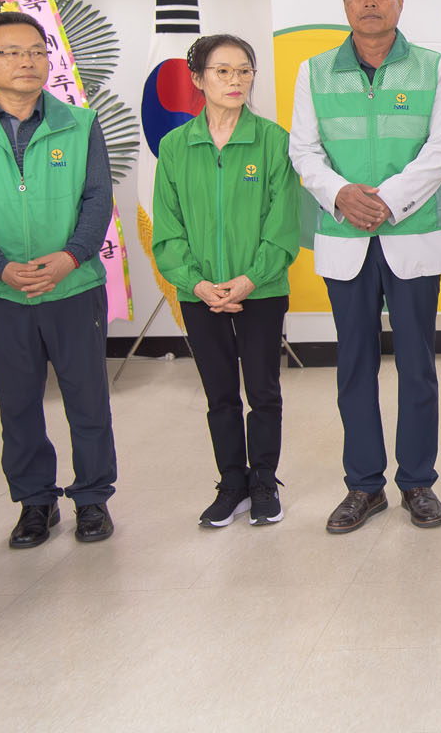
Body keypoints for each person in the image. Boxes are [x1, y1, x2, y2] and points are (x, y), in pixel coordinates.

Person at [289, 0, 441, 533]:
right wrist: (340, 193)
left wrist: (387, 199)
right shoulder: (314, 71)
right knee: (354, 367)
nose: (369, 2)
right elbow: (303, 149)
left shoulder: (434, 68)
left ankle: (418, 482)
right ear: (344, 2)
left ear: (400, 0)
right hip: (345, 237)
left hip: (412, 235)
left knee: (418, 366)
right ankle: (363, 486)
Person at [0, 10, 118, 548]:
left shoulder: (79, 124)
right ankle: (35, 502)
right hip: (3, 292)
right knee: (17, 404)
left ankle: (92, 499)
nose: (27, 61)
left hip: (73, 287)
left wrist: (72, 256)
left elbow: (97, 197)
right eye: (12, 52)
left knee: (88, 400)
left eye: (37, 51)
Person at [152, 33, 301, 527]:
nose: (235, 80)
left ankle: (264, 482)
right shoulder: (175, 146)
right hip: (199, 294)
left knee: (263, 391)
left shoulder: (274, 140)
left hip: (261, 290)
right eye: (222, 71)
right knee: (219, 394)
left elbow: (284, 223)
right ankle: (232, 483)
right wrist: (197, 284)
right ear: (198, 79)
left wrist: (250, 279)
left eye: (244, 70)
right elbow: (167, 227)